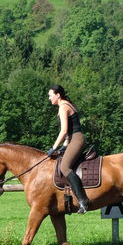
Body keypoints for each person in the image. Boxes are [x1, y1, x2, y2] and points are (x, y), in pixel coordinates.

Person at [47, 84, 89, 214]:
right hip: (73, 139)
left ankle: (83, 201)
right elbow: (70, 131)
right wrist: (64, 146)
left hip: (76, 139)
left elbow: (64, 130)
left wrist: (53, 148)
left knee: (64, 167)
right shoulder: (66, 104)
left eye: (50, 95)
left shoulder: (63, 107)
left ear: (58, 95)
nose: (49, 98)